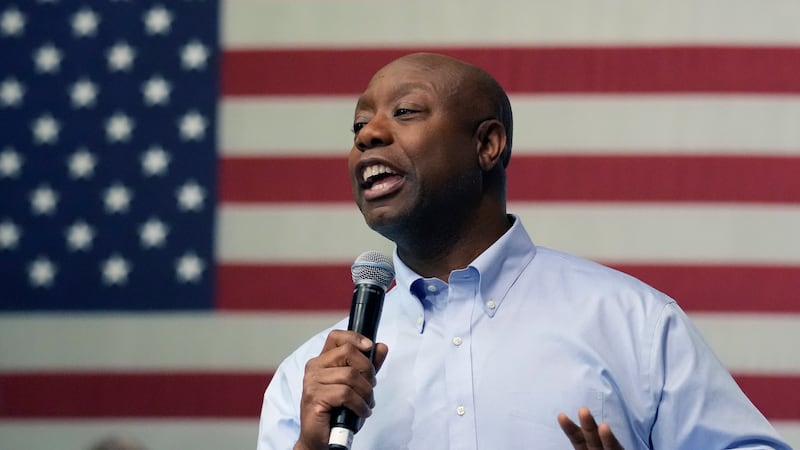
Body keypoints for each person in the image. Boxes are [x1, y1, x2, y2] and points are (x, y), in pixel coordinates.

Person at [257, 53, 790, 449]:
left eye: (405, 111)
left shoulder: (634, 323)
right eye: (357, 127)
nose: (368, 135)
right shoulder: (311, 380)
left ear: (487, 145)